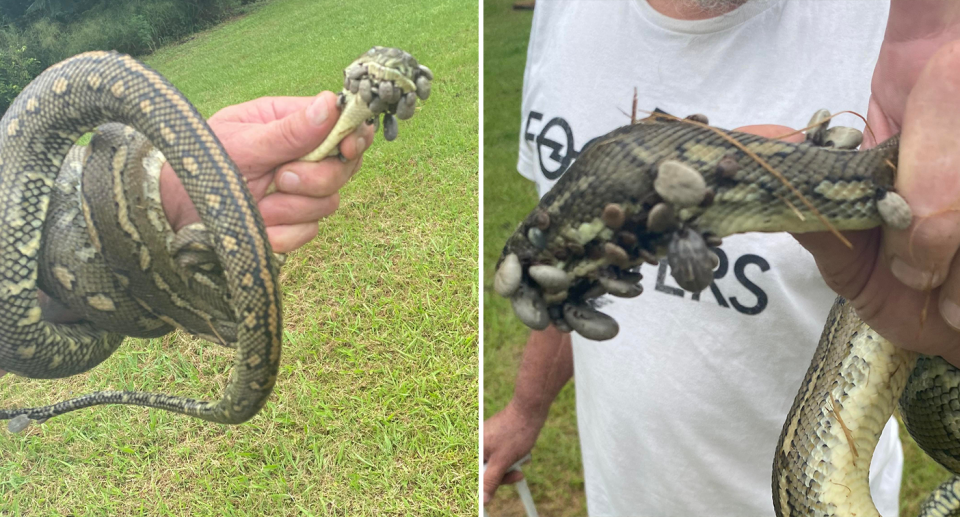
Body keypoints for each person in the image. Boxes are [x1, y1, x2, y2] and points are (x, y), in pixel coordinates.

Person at [483, 1, 960, 515]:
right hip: (626, 493)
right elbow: (575, 273)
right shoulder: (564, 11)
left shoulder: (915, 33)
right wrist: (525, 409)